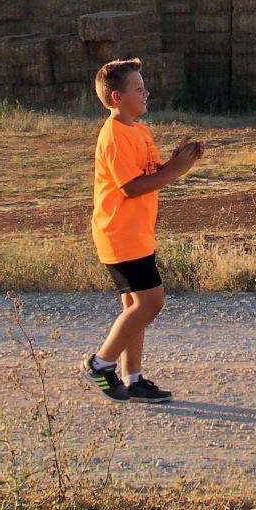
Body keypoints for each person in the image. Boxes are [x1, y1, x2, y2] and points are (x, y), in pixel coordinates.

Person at [80, 58, 203, 403]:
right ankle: (100, 364)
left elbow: (149, 175)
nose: (146, 91)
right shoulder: (115, 134)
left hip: (136, 232)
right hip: (120, 234)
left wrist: (177, 162)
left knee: (134, 306)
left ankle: (132, 378)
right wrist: (176, 171)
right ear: (117, 97)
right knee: (151, 303)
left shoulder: (138, 129)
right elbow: (132, 188)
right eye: (138, 88)